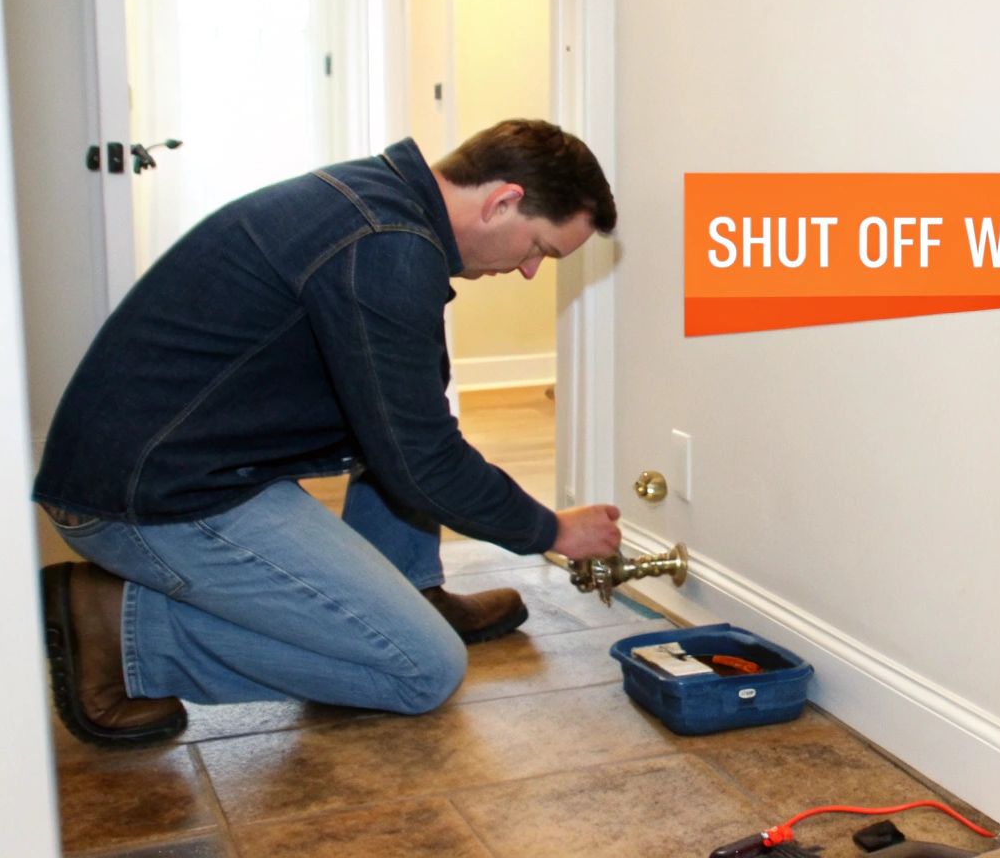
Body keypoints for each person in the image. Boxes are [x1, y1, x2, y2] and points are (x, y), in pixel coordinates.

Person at [33, 119, 622, 746]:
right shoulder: (387, 246)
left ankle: (410, 590)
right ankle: (126, 633)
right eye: (540, 248)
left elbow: (402, 420)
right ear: (502, 201)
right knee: (423, 670)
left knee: (393, 429)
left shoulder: (381, 203)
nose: (531, 270)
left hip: (175, 466)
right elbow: (422, 459)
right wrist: (553, 530)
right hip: (149, 501)